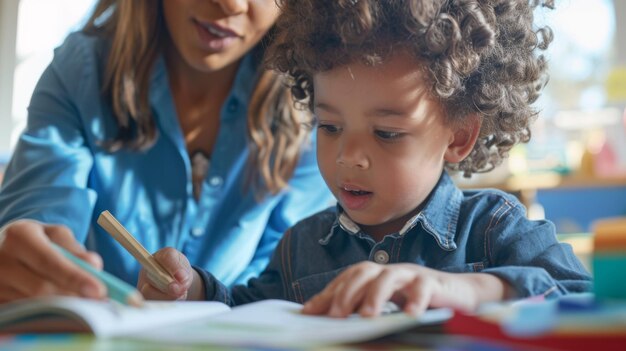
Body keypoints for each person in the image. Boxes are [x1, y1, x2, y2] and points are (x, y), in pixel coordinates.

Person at [138, 0, 592, 315]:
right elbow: (246, 314)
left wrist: (466, 289)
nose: (349, 157)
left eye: (387, 133)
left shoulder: (494, 226)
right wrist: (192, 290)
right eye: (329, 126)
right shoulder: (300, 248)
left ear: (458, 137)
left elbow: (583, 297)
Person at [0, 0, 333, 303]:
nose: (229, 4)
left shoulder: (316, 112)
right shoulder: (80, 73)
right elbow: (39, 215)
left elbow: (283, 281)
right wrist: (31, 250)